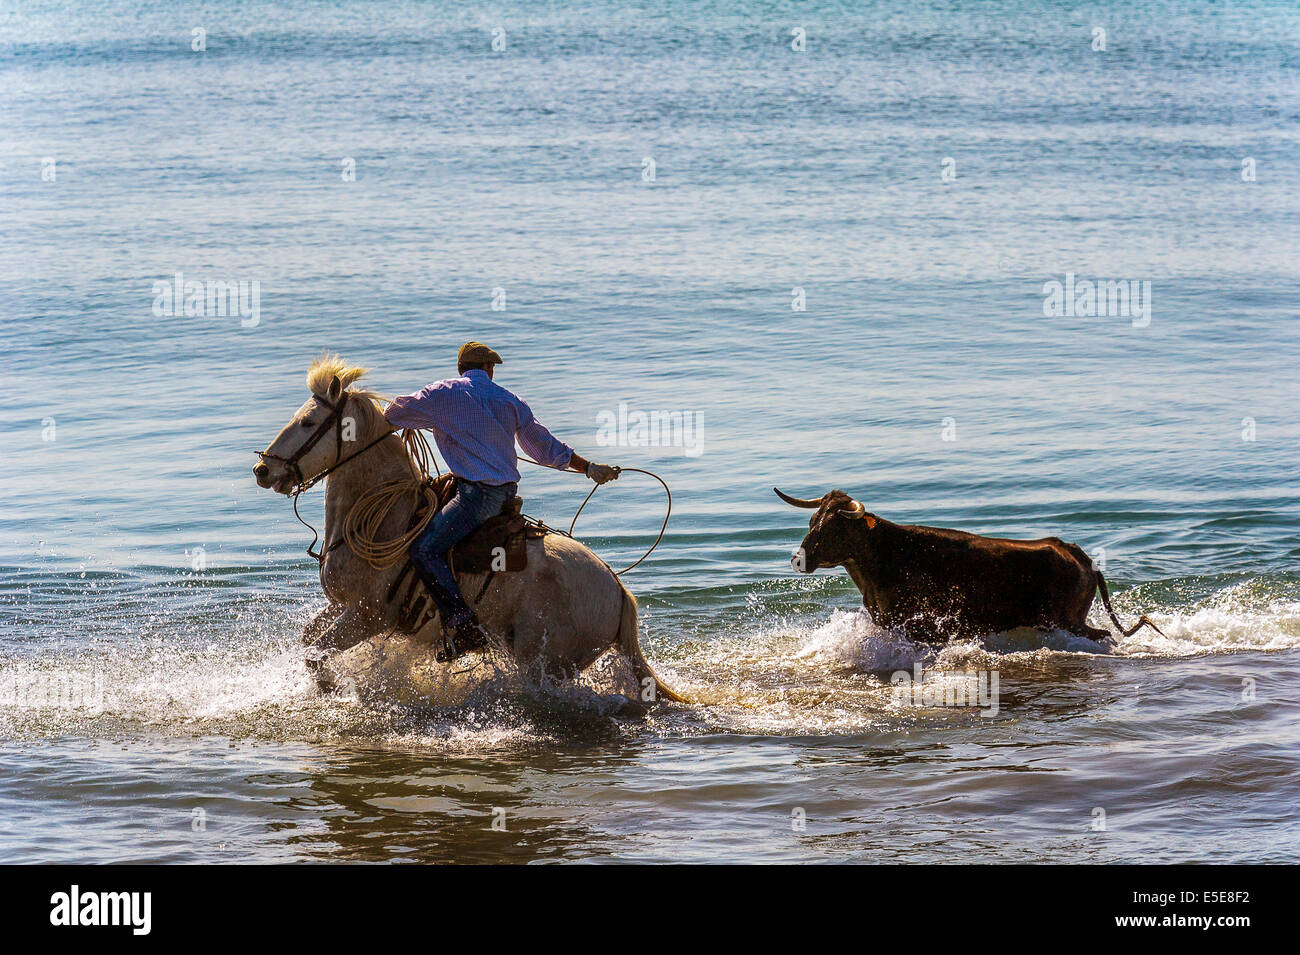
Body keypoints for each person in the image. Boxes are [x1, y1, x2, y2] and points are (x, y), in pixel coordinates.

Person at [384, 341, 620, 661]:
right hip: (505, 495)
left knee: (424, 549)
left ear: (460, 367)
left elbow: (393, 415)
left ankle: (462, 624)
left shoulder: (443, 393)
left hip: (474, 497)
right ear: (490, 370)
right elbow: (546, 448)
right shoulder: (510, 400)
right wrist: (589, 468)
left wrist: (430, 421)